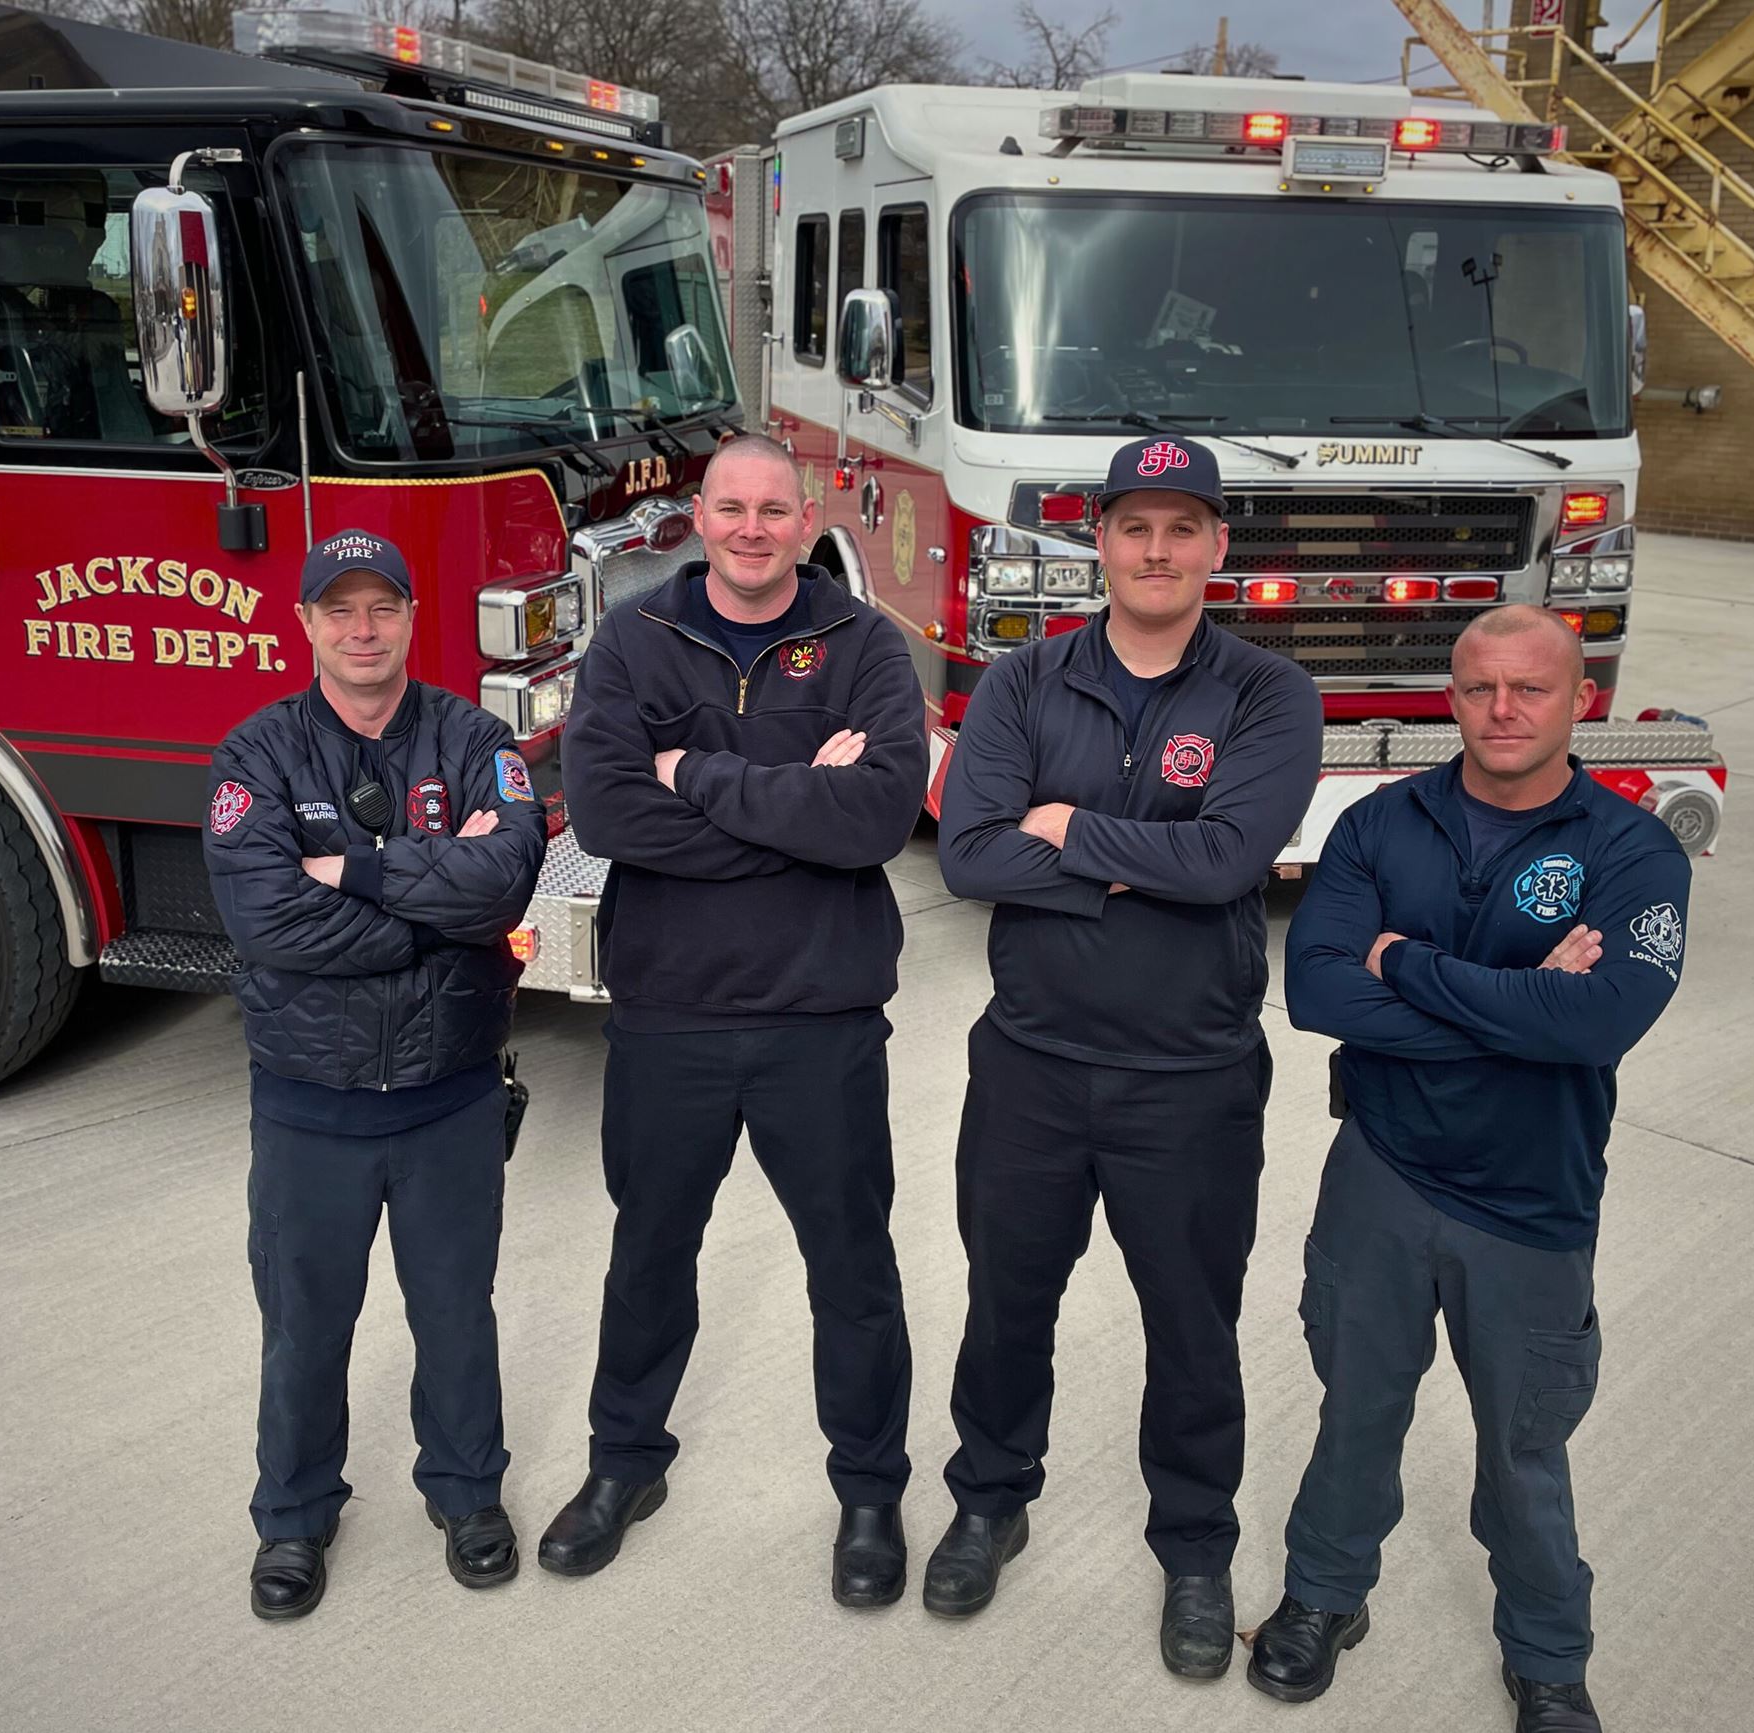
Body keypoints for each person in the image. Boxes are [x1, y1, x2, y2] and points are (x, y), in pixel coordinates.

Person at [1249, 605, 1694, 1733]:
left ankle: (1546, 1657)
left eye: (1529, 689)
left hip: (1529, 1201)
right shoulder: (1376, 824)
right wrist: (1516, 1004)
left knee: (1523, 1449)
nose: (1501, 709)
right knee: (1354, 1411)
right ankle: (1321, 1596)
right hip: (1380, 1174)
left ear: (1577, 700)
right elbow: (1315, 992)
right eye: (1478, 687)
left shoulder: (1628, 848)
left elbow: (1597, 1022)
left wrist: (1404, 962)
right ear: (1449, 697)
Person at [931, 435, 1322, 1677]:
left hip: (1190, 1077)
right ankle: (991, 1497)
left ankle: (1195, 1545)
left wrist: (1069, 830)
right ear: (1096, 539)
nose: (1155, 549)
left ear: (1216, 544)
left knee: (1192, 1328)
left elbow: (1229, 861)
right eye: (1132, 525)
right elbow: (969, 857)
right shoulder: (1021, 680)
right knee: (1004, 1306)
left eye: (1181, 526)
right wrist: (1140, 855)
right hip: (1031, 1066)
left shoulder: (1268, 693)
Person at [538, 434, 928, 1606]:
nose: (752, 528)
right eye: (729, 508)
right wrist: (798, 788)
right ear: (694, 517)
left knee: (850, 1269)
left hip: (823, 1016)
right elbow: (605, 811)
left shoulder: (862, 643)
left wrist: (693, 773)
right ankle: (622, 1466)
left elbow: (870, 821)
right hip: (671, 1016)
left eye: (773, 509)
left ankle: (867, 1490)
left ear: (807, 518)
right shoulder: (634, 640)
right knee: (648, 1255)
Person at [206, 529, 548, 1620]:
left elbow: (504, 884)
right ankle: (293, 1517)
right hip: (310, 1105)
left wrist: (356, 871)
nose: (362, 630)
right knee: (305, 1320)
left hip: (449, 1093)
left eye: (381, 607)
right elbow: (269, 921)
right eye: (338, 609)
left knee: (455, 1308)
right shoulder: (254, 756)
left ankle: (467, 1492)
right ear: (303, 622)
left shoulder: (475, 735)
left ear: (409, 617)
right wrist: (430, 920)